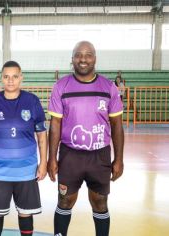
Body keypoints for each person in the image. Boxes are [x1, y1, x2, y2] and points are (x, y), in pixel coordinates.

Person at [47, 41, 124, 236]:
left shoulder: (109, 87)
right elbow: (55, 125)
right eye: (78, 55)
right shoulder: (61, 86)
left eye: (88, 54)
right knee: (65, 200)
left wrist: (119, 159)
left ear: (95, 59)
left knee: (100, 202)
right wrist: (51, 158)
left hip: (100, 155)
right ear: (72, 59)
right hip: (70, 155)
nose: (83, 59)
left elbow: (117, 125)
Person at [0, 61, 47, 236]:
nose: (10, 80)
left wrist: (43, 163)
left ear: (21, 78)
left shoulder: (31, 101)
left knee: (25, 212)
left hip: (26, 170)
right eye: (6, 77)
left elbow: (42, 136)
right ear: (1, 79)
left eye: (15, 76)